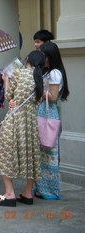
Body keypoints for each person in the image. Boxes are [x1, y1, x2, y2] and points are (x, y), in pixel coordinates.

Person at [0, 50, 45, 207]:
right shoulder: (39, 78)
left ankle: (9, 194)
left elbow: (8, 96)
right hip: (30, 123)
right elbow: (36, 102)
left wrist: (5, 80)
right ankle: (28, 193)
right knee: (30, 156)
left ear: (27, 60)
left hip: (15, 120)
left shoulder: (18, 73)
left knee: (7, 153)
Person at [34, 42, 69, 200]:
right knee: (41, 153)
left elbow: (53, 97)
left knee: (49, 153)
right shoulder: (47, 71)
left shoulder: (55, 73)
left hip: (47, 113)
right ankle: (41, 188)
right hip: (43, 112)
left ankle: (49, 190)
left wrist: (38, 91)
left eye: (43, 54)